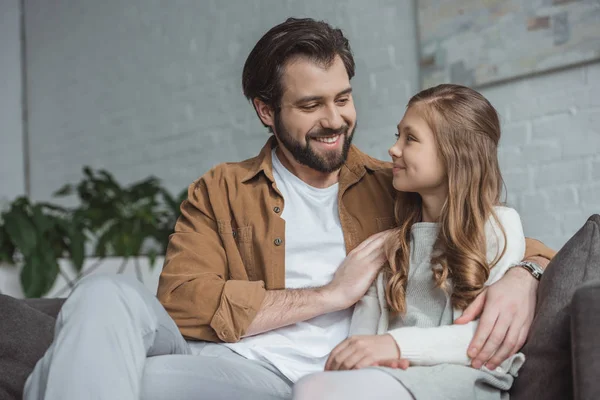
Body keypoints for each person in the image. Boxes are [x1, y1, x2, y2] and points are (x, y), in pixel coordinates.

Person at [24, 18, 554, 400]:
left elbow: (479, 226)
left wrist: (528, 274)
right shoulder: (222, 189)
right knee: (101, 294)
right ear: (265, 111)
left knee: (97, 379)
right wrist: (328, 295)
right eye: (309, 105)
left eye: (342, 98)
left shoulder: (392, 185)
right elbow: (182, 301)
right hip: (212, 355)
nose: (335, 119)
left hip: (295, 379)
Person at [293, 84, 533, 400]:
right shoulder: (394, 243)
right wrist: (359, 364)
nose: (394, 149)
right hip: (394, 376)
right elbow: (363, 335)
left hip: (463, 377)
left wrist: (395, 345)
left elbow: (487, 337)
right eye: (398, 136)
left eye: (411, 139)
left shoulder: (499, 225)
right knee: (313, 387)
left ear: (455, 154)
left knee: (314, 391)